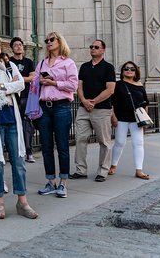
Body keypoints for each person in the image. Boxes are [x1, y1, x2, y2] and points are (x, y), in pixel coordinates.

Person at [0, 34, 38, 220]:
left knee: (19, 163)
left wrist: (1, 85)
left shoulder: (10, 66)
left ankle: (22, 201)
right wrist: (9, 86)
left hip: (12, 119)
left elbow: (20, 85)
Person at [35, 32, 78, 198]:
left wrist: (53, 82)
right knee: (46, 146)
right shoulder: (42, 63)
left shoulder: (68, 63)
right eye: (46, 40)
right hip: (44, 108)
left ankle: (63, 183)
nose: (48, 42)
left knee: (62, 146)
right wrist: (40, 80)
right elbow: (36, 81)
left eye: (52, 39)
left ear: (60, 42)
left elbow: (73, 85)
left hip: (61, 106)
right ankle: (50, 181)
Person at [71, 39, 116, 182]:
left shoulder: (108, 67)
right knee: (80, 138)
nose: (93, 49)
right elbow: (79, 86)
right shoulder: (84, 67)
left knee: (104, 141)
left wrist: (94, 102)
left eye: (96, 47)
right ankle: (81, 170)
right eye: (91, 47)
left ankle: (103, 171)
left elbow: (110, 89)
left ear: (103, 50)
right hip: (84, 109)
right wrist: (84, 101)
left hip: (102, 110)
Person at [109, 61, 150, 180]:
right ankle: (113, 165)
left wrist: (144, 118)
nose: (129, 70)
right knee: (120, 142)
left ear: (136, 72)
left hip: (136, 120)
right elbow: (111, 102)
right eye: (126, 68)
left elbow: (145, 103)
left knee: (138, 144)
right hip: (121, 118)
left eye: (132, 69)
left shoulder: (140, 86)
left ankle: (139, 170)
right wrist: (113, 116)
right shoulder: (118, 85)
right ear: (122, 71)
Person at [8, 37, 37, 163]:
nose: (18, 47)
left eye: (20, 45)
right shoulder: (9, 62)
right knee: (13, 125)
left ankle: (28, 152)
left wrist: (18, 80)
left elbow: (33, 78)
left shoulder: (29, 62)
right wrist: (23, 80)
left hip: (26, 96)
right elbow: (8, 79)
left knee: (27, 125)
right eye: (16, 45)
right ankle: (13, 153)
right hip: (13, 97)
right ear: (12, 48)